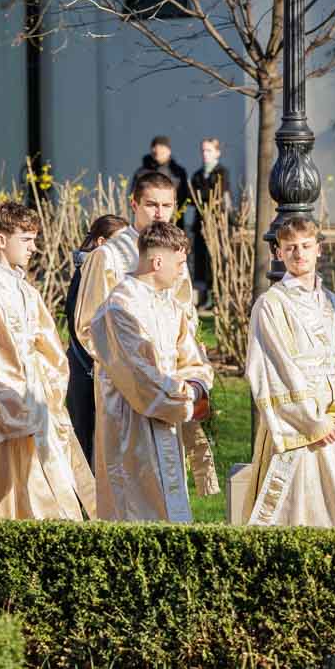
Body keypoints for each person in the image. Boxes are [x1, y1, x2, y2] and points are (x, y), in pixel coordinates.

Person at [73, 172, 218, 497]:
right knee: (131, 482)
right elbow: (88, 327)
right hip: (123, 381)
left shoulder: (172, 254)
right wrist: (131, 370)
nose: (159, 213)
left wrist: (187, 373)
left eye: (167, 205)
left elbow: (185, 317)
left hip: (170, 379)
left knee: (168, 477)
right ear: (134, 204)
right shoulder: (108, 256)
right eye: (151, 204)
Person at [0, 201, 95, 519]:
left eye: (34, 239)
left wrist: (45, 383)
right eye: (26, 240)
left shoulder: (25, 290)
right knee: (11, 484)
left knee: (50, 478)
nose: (33, 248)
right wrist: (17, 406)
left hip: (37, 392)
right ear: (1, 240)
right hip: (6, 400)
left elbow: (49, 345)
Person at [240, 216, 335, 529]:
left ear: (319, 250)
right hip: (295, 428)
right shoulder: (270, 305)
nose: (298, 253)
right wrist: (313, 420)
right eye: (290, 248)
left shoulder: (334, 305)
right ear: (279, 254)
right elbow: (272, 367)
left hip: (334, 424)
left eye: (305, 246)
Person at [86, 222, 214, 522]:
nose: (183, 272)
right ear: (157, 262)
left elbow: (193, 359)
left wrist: (194, 387)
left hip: (168, 421)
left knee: (171, 509)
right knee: (135, 510)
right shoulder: (118, 309)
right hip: (131, 427)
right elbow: (140, 379)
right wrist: (186, 401)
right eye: (179, 263)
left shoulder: (169, 306)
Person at [64, 214, 126, 462]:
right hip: (87, 366)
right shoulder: (88, 273)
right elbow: (81, 322)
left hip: (98, 365)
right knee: (86, 437)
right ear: (102, 242)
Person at [189, 138, 230, 307]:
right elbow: (193, 197)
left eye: (209, 150)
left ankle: (216, 297)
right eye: (204, 150)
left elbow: (218, 195)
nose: (205, 154)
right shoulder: (198, 175)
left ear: (217, 153)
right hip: (200, 223)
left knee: (215, 259)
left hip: (216, 223)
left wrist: (204, 197)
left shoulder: (221, 172)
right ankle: (202, 297)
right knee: (200, 260)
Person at [131, 136, 191, 227]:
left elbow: (184, 196)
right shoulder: (142, 172)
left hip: (175, 221)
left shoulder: (178, 172)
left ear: (169, 151)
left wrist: (175, 213)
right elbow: (134, 195)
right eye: (156, 150)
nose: (158, 152)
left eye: (162, 150)